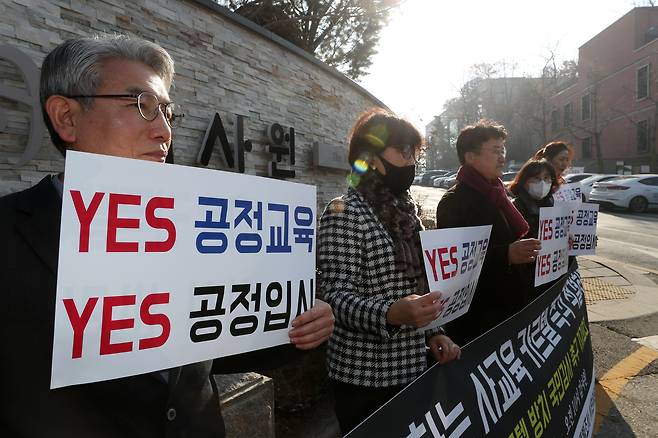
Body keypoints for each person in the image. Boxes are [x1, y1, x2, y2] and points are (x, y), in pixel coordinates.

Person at [0, 35, 334, 438]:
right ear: (67, 117)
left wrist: (295, 325)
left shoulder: (202, 229)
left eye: (166, 112)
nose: (163, 131)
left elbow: (210, 343)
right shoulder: (9, 233)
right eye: (141, 105)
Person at [318, 108, 461, 435]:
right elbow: (334, 298)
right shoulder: (344, 212)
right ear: (371, 158)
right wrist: (391, 313)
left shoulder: (406, 213)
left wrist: (433, 333)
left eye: (415, 153)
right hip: (366, 379)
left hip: (413, 368)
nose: (411, 162)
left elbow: (417, 288)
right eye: (403, 151)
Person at [434, 120, 541, 347]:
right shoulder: (454, 202)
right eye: (495, 151)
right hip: (479, 318)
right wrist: (506, 255)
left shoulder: (498, 194)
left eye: (503, 150)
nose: (502, 157)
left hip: (512, 305)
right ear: (470, 157)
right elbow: (456, 266)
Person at [509, 159, 560, 304]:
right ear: (524, 181)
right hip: (525, 282)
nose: (542, 183)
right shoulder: (515, 208)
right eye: (536, 179)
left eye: (546, 178)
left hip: (549, 277)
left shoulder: (554, 206)